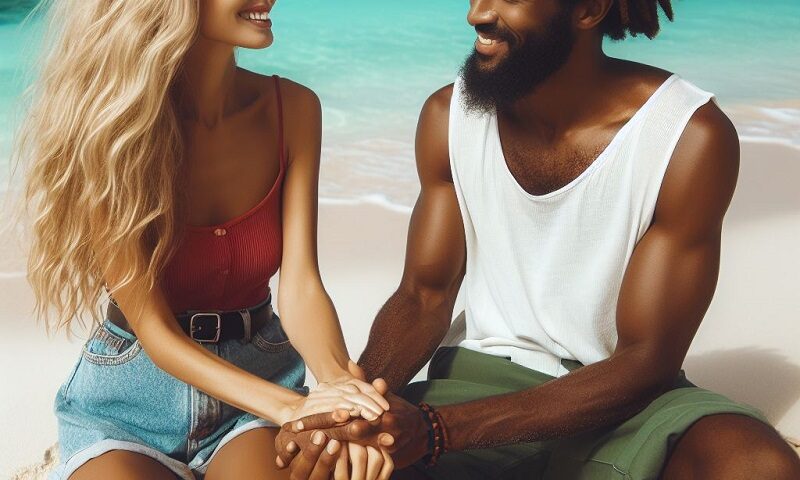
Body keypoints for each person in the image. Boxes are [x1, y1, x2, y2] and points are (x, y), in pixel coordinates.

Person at [273, 0, 800, 478]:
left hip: (623, 400)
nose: (477, 14)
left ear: (589, 10)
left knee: (757, 464)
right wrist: (350, 411)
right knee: (324, 465)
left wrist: (437, 431)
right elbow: (424, 295)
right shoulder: (448, 117)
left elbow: (647, 358)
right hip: (477, 381)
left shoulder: (686, 137)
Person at [12, 0, 394, 478]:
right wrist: (290, 408)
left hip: (257, 378)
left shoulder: (293, 110)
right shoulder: (115, 129)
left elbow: (300, 285)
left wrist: (338, 389)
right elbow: (156, 333)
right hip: (127, 403)